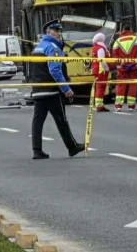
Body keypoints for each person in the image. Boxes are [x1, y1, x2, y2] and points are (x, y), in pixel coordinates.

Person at [25, 20, 85, 160]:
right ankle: (72, 147)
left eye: (59, 31)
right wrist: (66, 89)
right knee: (61, 120)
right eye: (56, 31)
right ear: (48, 32)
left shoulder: (37, 47)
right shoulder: (53, 48)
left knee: (37, 121)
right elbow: (55, 70)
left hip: (38, 90)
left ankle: (37, 150)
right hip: (52, 91)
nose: (59, 33)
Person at [111, 25, 137, 112]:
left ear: (122, 30)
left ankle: (118, 106)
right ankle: (131, 106)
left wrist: (122, 64)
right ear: (130, 29)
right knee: (133, 85)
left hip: (122, 68)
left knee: (121, 86)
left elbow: (115, 55)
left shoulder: (117, 41)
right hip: (134, 67)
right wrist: (133, 63)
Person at [90, 32, 110, 113]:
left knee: (99, 87)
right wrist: (107, 68)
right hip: (101, 70)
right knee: (101, 87)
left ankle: (99, 105)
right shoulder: (101, 48)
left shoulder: (95, 47)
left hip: (97, 69)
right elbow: (102, 60)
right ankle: (99, 106)